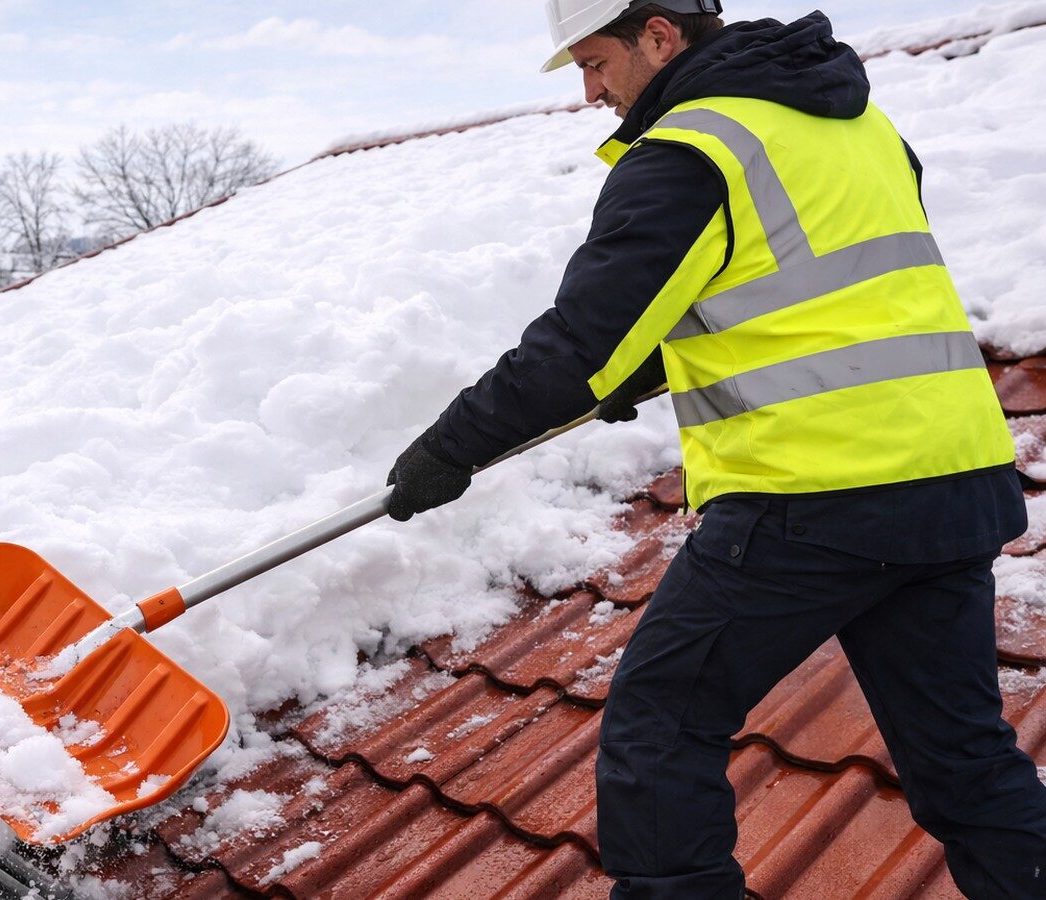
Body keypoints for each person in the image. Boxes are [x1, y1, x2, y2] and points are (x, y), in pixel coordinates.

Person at [383, 2, 1046, 895]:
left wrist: (448, 448)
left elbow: (579, 345)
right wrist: (648, 364)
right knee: (965, 760)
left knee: (659, 730)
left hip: (813, 499)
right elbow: (811, 292)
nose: (589, 92)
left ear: (658, 34)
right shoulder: (854, 122)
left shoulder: (690, 151)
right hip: (955, 480)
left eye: (595, 63)